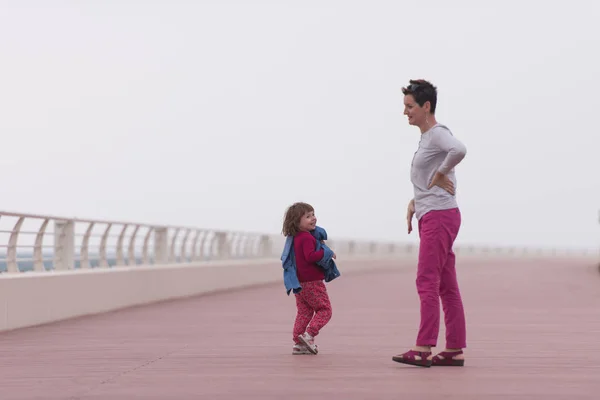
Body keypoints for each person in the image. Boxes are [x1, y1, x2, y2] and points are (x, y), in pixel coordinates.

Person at [392, 79, 468, 368]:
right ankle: (454, 349)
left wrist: (441, 173)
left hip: (439, 216)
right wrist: (416, 201)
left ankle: (423, 348)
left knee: (427, 280)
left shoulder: (437, 134)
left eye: (410, 107)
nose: (405, 112)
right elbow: (427, 180)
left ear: (426, 106)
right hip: (434, 213)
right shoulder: (426, 138)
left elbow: (459, 150)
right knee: (447, 285)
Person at [280, 202, 338, 355]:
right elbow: (310, 256)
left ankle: (298, 343)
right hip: (312, 282)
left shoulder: (296, 238)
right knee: (325, 310)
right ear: (296, 221)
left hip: (299, 283)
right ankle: (309, 335)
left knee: (304, 312)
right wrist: (328, 253)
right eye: (307, 216)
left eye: (313, 214)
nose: (313, 218)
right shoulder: (306, 238)